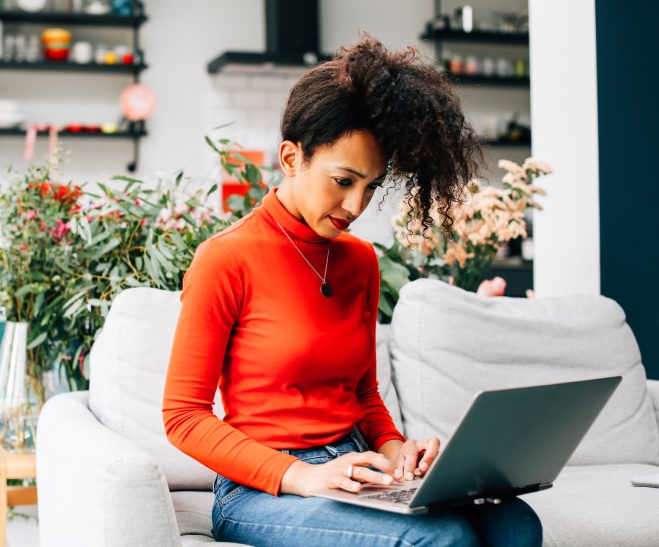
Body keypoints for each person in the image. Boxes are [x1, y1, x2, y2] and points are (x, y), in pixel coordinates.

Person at [163, 36, 542, 547]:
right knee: (443, 538)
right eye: (343, 180)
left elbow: (363, 394)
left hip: (357, 465)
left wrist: (394, 450)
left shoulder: (360, 260)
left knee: (515, 523)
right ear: (292, 158)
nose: (355, 204)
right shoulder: (226, 258)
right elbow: (183, 416)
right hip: (263, 488)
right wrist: (300, 475)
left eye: (371, 186)